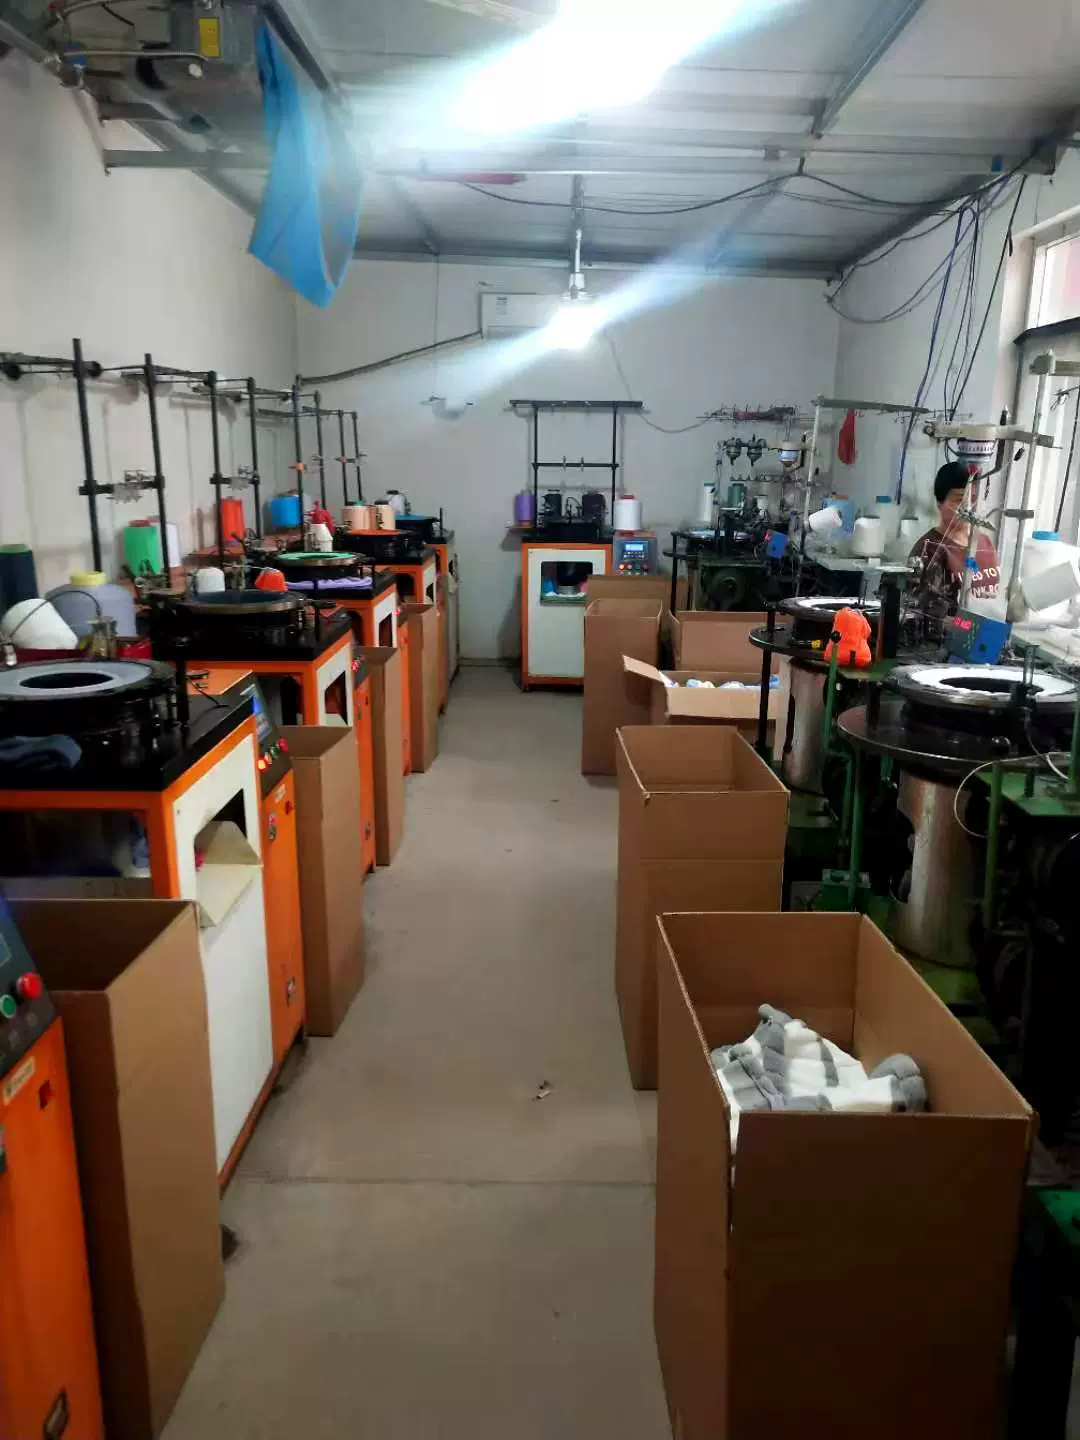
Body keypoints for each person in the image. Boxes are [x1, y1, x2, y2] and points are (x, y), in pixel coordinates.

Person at [908, 459, 1001, 620]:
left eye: (973, 499)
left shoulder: (985, 543)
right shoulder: (929, 550)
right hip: (951, 634)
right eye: (959, 500)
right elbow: (924, 618)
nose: (968, 508)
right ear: (940, 503)